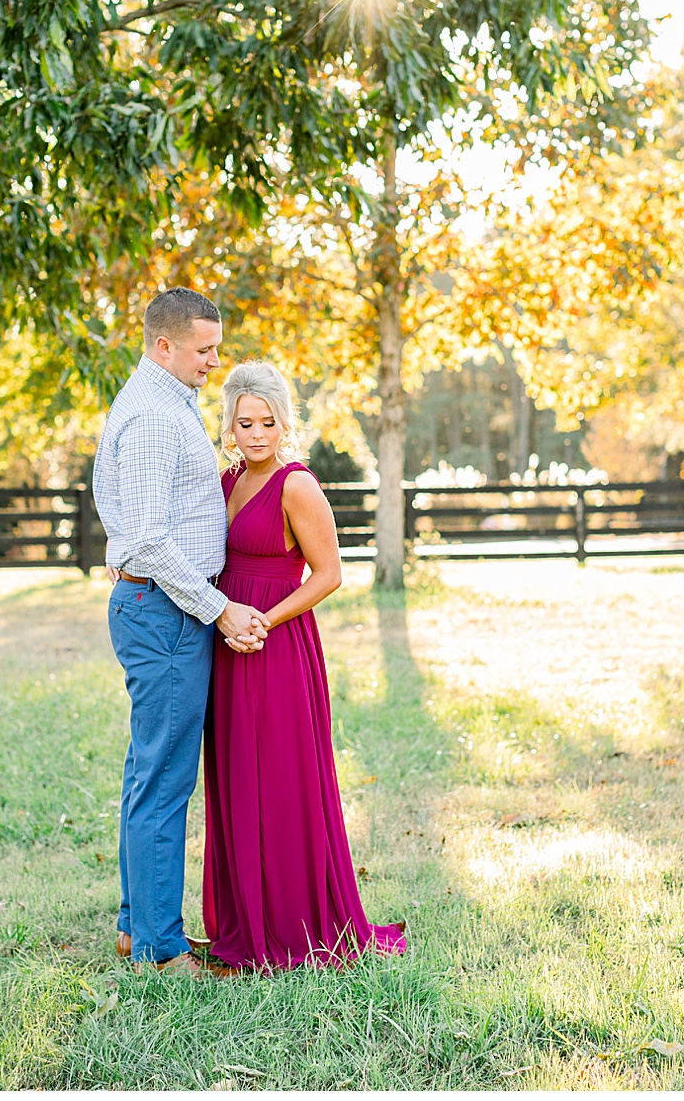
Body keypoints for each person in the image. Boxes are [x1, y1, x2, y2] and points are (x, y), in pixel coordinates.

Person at [201, 360, 408, 972]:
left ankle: (294, 925)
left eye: (267, 422)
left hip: (277, 646)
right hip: (227, 643)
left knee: (281, 781)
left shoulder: (296, 485)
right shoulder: (226, 481)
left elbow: (329, 574)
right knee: (236, 779)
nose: (256, 434)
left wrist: (263, 620)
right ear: (230, 424)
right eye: (245, 423)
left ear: (284, 423)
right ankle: (246, 920)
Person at [91, 288, 270, 979]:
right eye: (204, 349)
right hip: (167, 612)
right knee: (165, 780)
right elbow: (147, 538)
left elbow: (124, 508)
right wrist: (217, 607)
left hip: (160, 605)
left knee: (149, 772)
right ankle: (162, 949)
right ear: (164, 346)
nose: (214, 361)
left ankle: (137, 927)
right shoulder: (154, 416)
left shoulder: (161, 402)